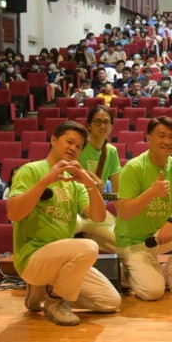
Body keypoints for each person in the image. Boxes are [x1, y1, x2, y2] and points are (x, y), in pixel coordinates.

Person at [7, 121, 121, 326]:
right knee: (89, 246)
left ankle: (42, 289)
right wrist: (45, 181)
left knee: (110, 302)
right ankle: (54, 301)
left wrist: (88, 183)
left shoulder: (74, 183)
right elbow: (13, 213)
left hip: (62, 260)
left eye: (78, 146)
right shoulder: (31, 170)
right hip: (33, 257)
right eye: (69, 142)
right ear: (53, 140)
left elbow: (98, 217)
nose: (73, 148)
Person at [115, 117, 172, 301]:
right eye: (161, 135)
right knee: (152, 292)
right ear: (148, 138)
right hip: (133, 242)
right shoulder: (134, 167)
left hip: (159, 236)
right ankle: (127, 273)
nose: (167, 141)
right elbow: (124, 212)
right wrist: (152, 192)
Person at [75, 105, 122, 253]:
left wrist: (123, 221)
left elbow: (118, 189)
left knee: (123, 243)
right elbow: (67, 168)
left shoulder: (111, 151)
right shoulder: (79, 146)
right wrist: (91, 176)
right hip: (73, 207)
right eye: (97, 122)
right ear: (89, 125)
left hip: (95, 211)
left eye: (106, 122)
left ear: (111, 126)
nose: (102, 126)